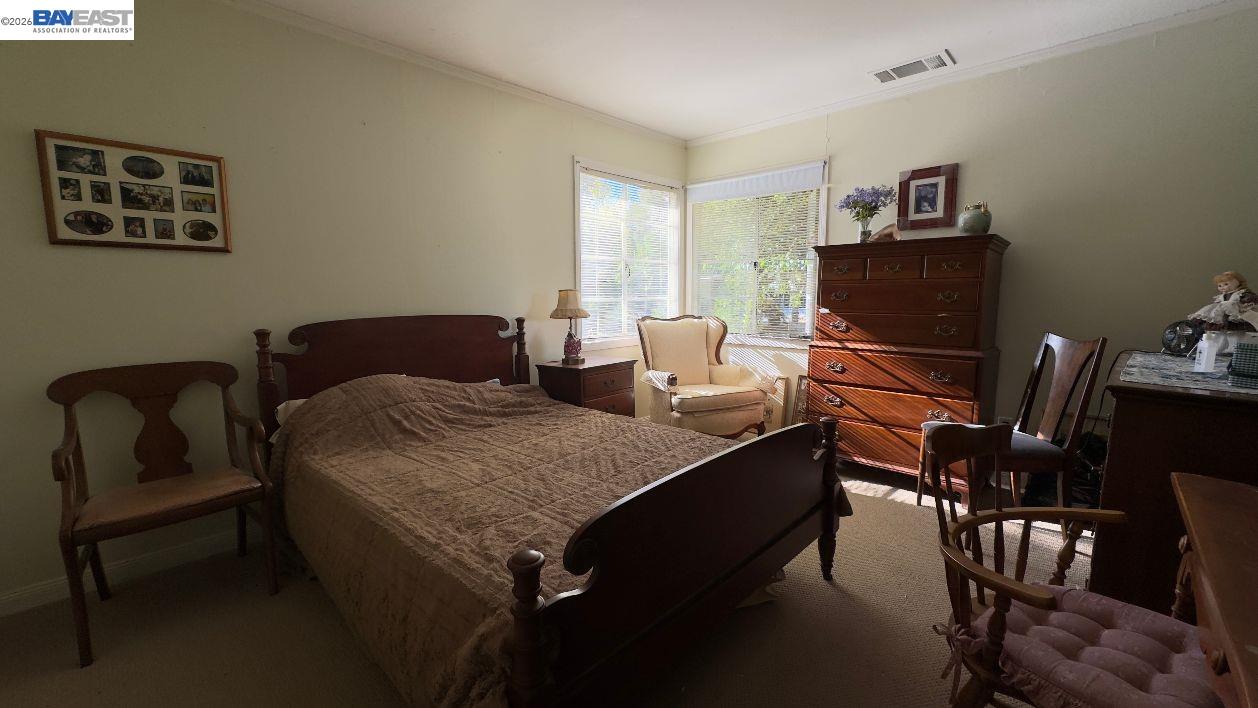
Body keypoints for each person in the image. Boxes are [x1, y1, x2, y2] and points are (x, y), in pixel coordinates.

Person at [1188, 271, 1258, 331]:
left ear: (1237, 283)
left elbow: (1250, 300)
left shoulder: (1241, 293)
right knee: (1210, 312)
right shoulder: (1222, 296)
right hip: (1224, 315)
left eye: (1226, 284)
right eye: (1219, 286)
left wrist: (1241, 303)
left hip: (1237, 313)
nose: (1222, 287)